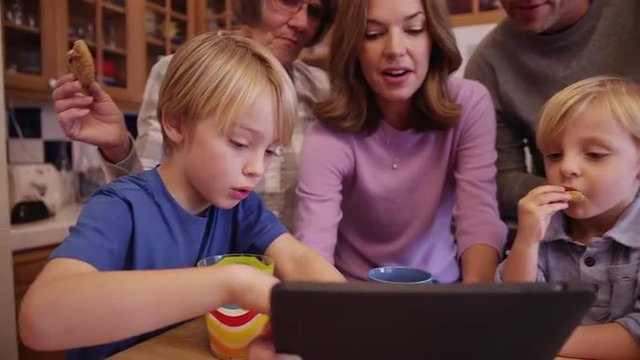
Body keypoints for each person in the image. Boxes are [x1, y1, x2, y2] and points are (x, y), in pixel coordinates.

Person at [20, 33, 344, 360]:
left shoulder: (242, 209)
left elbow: (298, 259)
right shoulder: (121, 206)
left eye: (271, 151)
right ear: (176, 122)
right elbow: (40, 318)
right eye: (240, 143)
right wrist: (230, 284)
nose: (257, 168)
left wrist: (352, 316)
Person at [53, 0, 337, 232]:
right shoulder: (179, 72)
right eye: (288, 1)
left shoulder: (323, 91)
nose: (302, 23)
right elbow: (152, 202)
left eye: (315, 11)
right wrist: (118, 149)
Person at [295, 0, 507, 283]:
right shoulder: (328, 134)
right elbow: (314, 243)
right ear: (354, 48)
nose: (395, 49)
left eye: (414, 29)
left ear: (434, 37)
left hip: (443, 292)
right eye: (372, 34)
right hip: (353, 295)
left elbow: (478, 215)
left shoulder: (469, 104)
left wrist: (475, 304)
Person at [498, 76, 640, 359]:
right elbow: (513, 310)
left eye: (595, 154)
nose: (568, 168)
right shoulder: (543, 228)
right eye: (554, 155)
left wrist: (543, 340)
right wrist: (526, 241)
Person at [464, 0, 640, 222]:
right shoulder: (489, 64)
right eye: (555, 155)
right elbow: (499, 180)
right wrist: (582, 194)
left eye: (595, 155)